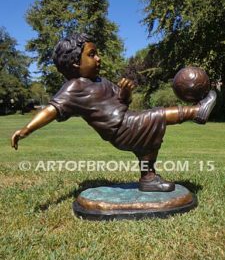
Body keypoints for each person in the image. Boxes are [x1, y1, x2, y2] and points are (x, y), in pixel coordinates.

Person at [11, 33, 217, 192]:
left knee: (149, 144)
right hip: (120, 129)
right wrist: (26, 129)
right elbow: (51, 110)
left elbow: (124, 102)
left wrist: (126, 92)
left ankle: (148, 179)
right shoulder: (73, 88)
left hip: (126, 121)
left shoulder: (102, 81)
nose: (98, 58)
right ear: (75, 62)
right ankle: (197, 111)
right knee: (157, 115)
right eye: (92, 54)